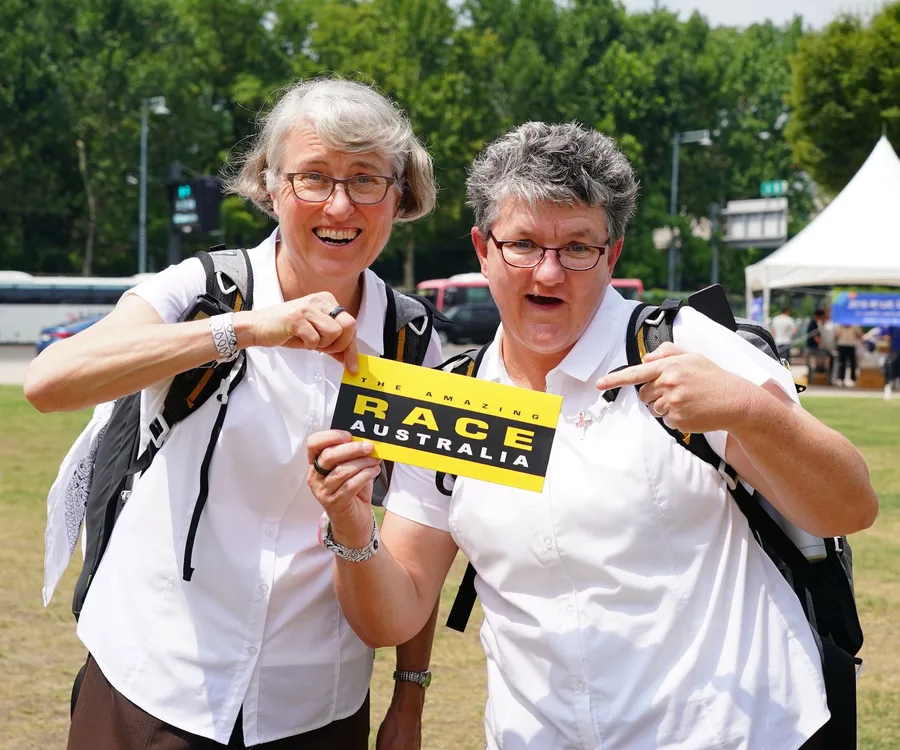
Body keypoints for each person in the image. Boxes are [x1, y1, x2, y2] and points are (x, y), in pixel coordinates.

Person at [305, 122, 878, 750]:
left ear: (613, 255)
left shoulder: (686, 347)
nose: (548, 274)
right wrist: (353, 526)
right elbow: (395, 613)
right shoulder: (451, 396)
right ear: (482, 249)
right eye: (522, 244)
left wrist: (749, 410)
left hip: (731, 733)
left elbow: (849, 505)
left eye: (577, 248)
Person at [24, 78, 444, 750]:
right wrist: (247, 328)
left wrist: (410, 697)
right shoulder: (204, 289)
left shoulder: (415, 340)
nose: (340, 204)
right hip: (154, 684)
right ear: (270, 186)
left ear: (399, 196)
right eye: (313, 177)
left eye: (367, 180)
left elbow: (427, 525)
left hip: (316, 704)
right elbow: (50, 382)